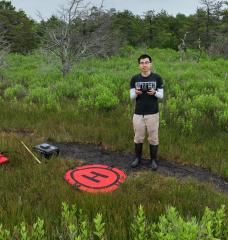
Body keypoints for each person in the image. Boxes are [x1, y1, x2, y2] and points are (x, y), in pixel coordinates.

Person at [130, 54, 164, 170]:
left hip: (153, 113)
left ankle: (153, 160)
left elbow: (161, 96)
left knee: (153, 138)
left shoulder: (157, 78)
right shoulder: (135, 78)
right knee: (138, 137)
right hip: (138, 113)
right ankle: (137, 158)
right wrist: (136, 93)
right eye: (142, 63)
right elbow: (131, 97)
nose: (144, 65)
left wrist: (154, 93)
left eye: (146, 62)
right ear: (139, 65)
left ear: (150, 64)